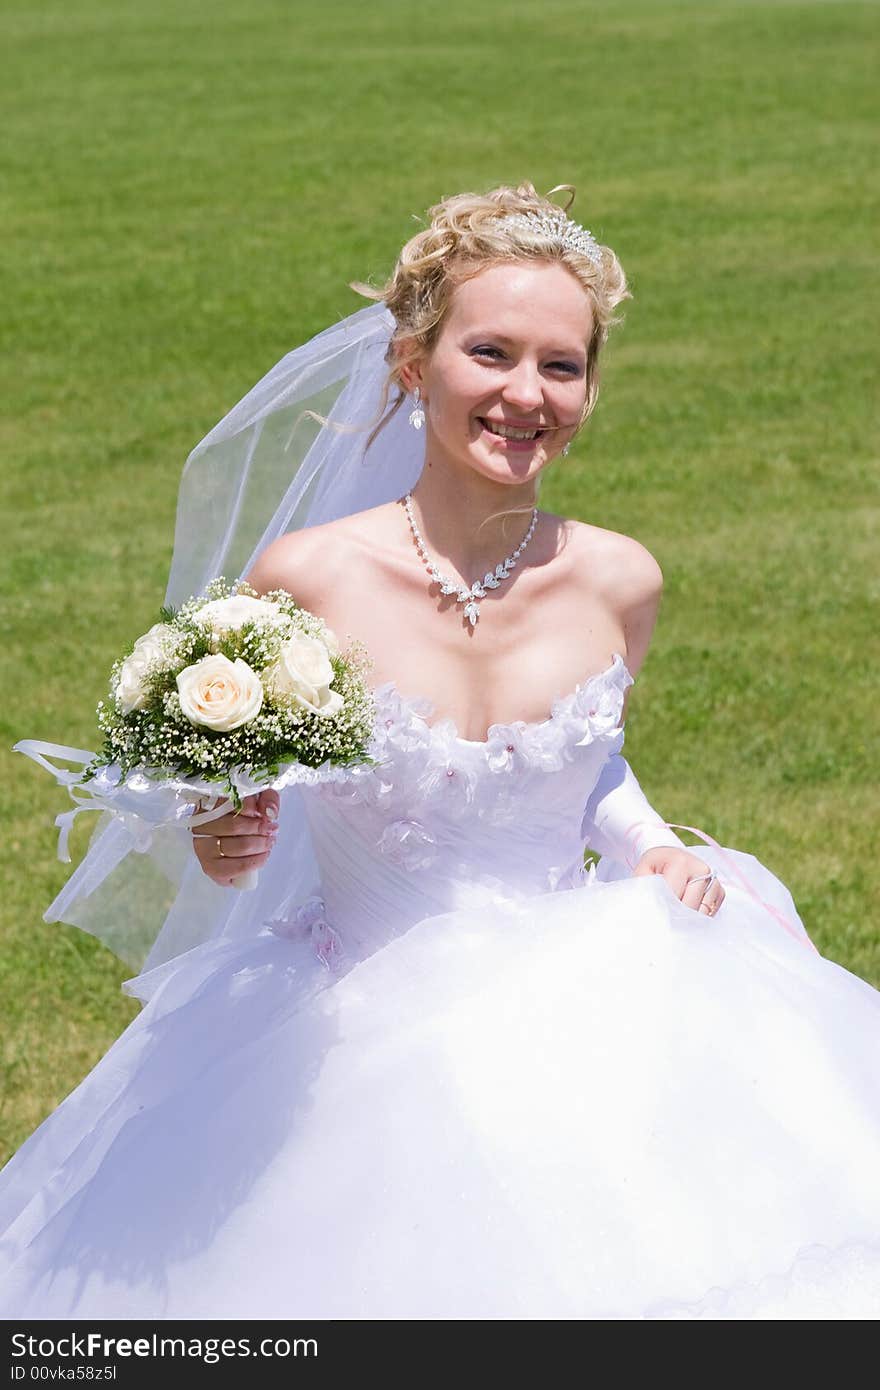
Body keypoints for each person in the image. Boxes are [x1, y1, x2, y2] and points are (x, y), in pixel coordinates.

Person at [2, 183, 879, 1320]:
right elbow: (238, 816)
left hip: (579, 996)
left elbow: (589, 760)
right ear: (414, 366)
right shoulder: (307, 579)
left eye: (561, 366)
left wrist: (651, 848)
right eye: (492, 353)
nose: (527, 394)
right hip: (354, 1025)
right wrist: (227, 831)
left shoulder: (620, 578)